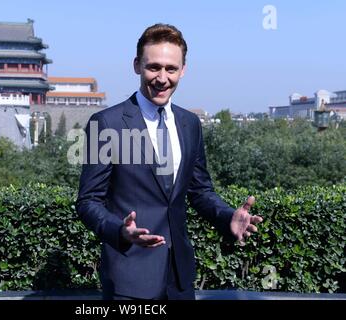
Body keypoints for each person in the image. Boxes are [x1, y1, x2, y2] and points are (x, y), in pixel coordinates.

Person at [76, 23, 263, 300]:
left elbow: (200, 192)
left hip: (180, 279)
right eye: (154, 67)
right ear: (137, 65)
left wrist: (227, 218)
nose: (162, 78)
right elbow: (88, 200)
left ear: (183, 70)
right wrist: (120, 231)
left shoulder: (190, 124)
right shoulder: (106, 124)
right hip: (128, 279)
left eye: (171, 69)